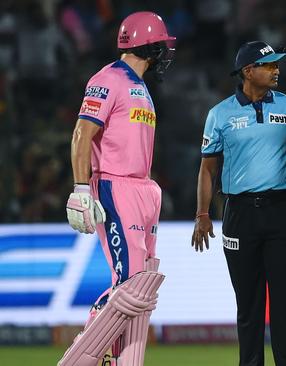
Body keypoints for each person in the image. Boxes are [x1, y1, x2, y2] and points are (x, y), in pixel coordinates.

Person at [192, 41, 286, 366]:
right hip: (239, 215)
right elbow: (208, 168)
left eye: (276, 65)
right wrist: (202, 213)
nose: (276, 70)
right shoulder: (220, 115)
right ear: (248, 71)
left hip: (284, 213)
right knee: (249, 306)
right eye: (269, 65)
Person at [60, 11, 175, 366]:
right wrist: (81, 188)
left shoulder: (139, 87)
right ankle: (80, 357)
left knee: (143, 284)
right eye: (161, 46)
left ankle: (126, 362)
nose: (164, 55)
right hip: (115, 186)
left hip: (142, 189)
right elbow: (82, 134)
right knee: (129, 284)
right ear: (148, 45)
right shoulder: (108, 78)